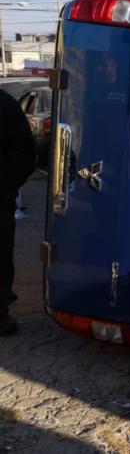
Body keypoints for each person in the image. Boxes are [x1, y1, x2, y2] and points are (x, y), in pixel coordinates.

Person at [0, 88, 35, 336]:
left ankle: (0, 315)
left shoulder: (5, 105)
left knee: (0, 256)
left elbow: (25, 153)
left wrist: (6, 187)